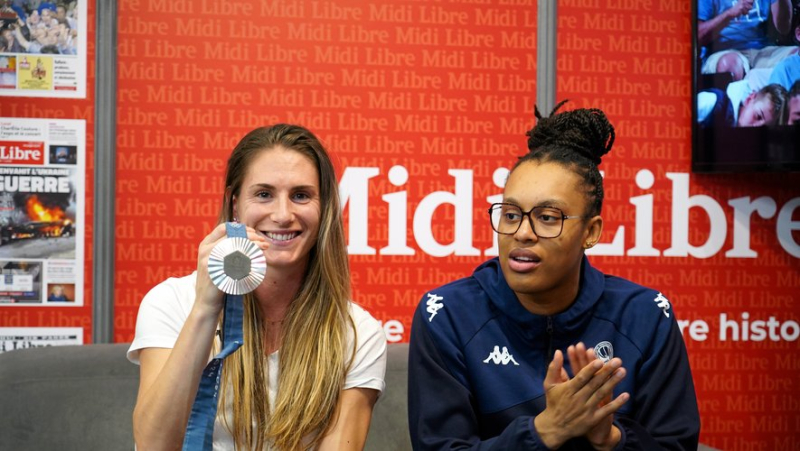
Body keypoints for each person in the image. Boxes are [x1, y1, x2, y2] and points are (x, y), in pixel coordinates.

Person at [408, 102, 700, 450]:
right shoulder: (448, 314)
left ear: (591, 232)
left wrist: (611, 440)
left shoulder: (645, 315)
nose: (523, 233)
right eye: (511, 214)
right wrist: (544, 432)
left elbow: (676, 445)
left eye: (547, 217)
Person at [128, 124, 387, 450]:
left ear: (325, 209)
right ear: (235, 206)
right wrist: (206, 309)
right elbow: (154, 445)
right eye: (264, 194)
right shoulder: (171, 302)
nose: (282, 215)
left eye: (301, 195)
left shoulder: (357, 331)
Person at [698, 0, 794, 80]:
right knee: (731, 63)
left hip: (763, 50)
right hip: (724, 52)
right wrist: (730, 14)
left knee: (796, 56)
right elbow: (698, 36)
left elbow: (784, 29)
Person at [697, 82, 787, 127]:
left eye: (764, 127)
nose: (757, 127)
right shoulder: (712, 102)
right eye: (758, 116)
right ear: (749, 99)